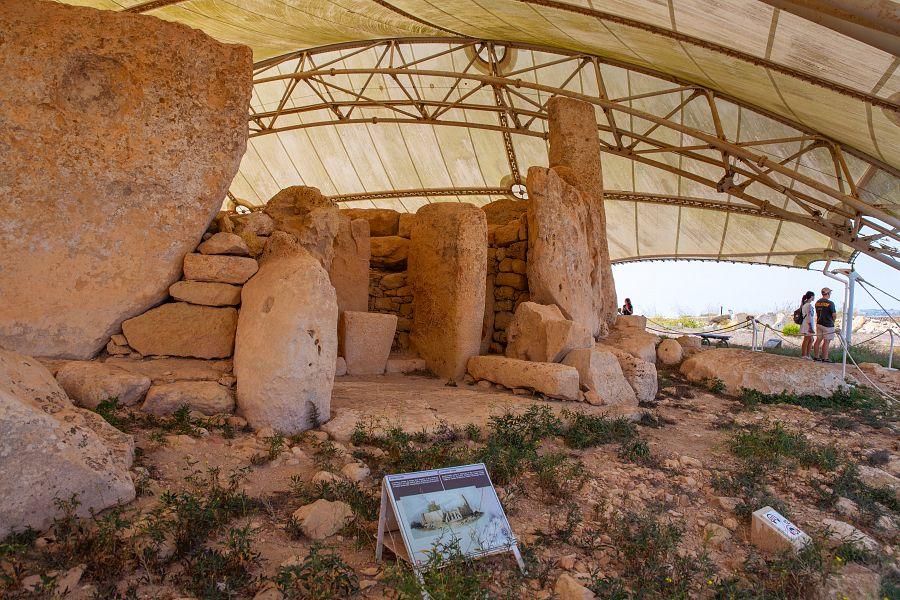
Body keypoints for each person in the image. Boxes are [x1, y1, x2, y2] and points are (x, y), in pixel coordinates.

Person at [812, 287, 837, 362]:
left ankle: (816, 357)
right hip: (828, 325)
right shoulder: (830, 303)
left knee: (818, 340)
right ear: (828, 294)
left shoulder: (817, 302)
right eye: (830, 293)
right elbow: (834, 315)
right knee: (826, 341)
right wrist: (833, 321)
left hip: (819, 323)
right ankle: (825, 358)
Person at [799, 291, 816, 360]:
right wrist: (810, 327)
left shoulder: (804, 304)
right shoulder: (808, 305)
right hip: (808, 324)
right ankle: (804, 355)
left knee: (811, 340)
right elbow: (808, 316)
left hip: (806, 323)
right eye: (814, 296)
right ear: (811, 296)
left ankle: (807, 355)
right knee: (807, 340)